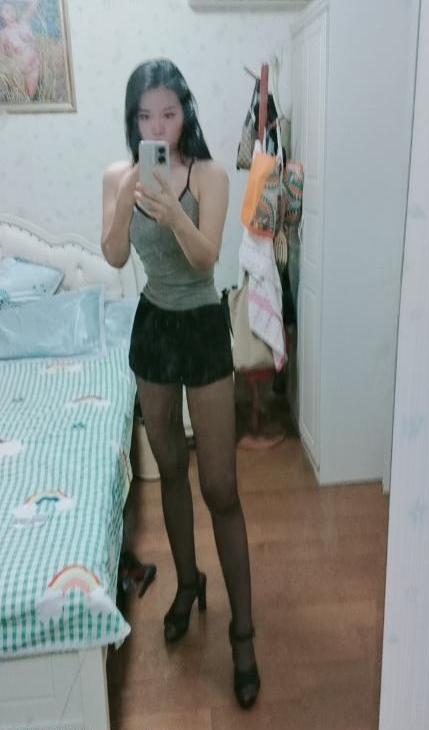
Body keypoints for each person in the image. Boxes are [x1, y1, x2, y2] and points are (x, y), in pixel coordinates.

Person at [101, 58, 260, 709]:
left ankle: (243, 634)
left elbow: (205, 259)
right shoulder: (119, 176)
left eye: (168, 113)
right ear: (134, 121)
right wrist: (125, 201)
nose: (157, 126)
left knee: (220, 486)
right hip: (153, 330)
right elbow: (115, 256)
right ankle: (189, 584)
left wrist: (172, 211)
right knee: (170, 470)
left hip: (201, 328)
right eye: (145, 116)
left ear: (185, 113)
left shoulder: (212, 176)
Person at [0, 1, 40, 100]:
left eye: (12, 10)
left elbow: (33, 5)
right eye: (7, 11)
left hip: (34, 65)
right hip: (22, 69)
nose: (11, 13)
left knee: (32, 97)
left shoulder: (23, 22)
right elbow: (2, 55)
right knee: (26, 98)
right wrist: (9, 52)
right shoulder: (3, 34)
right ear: (2, 15)